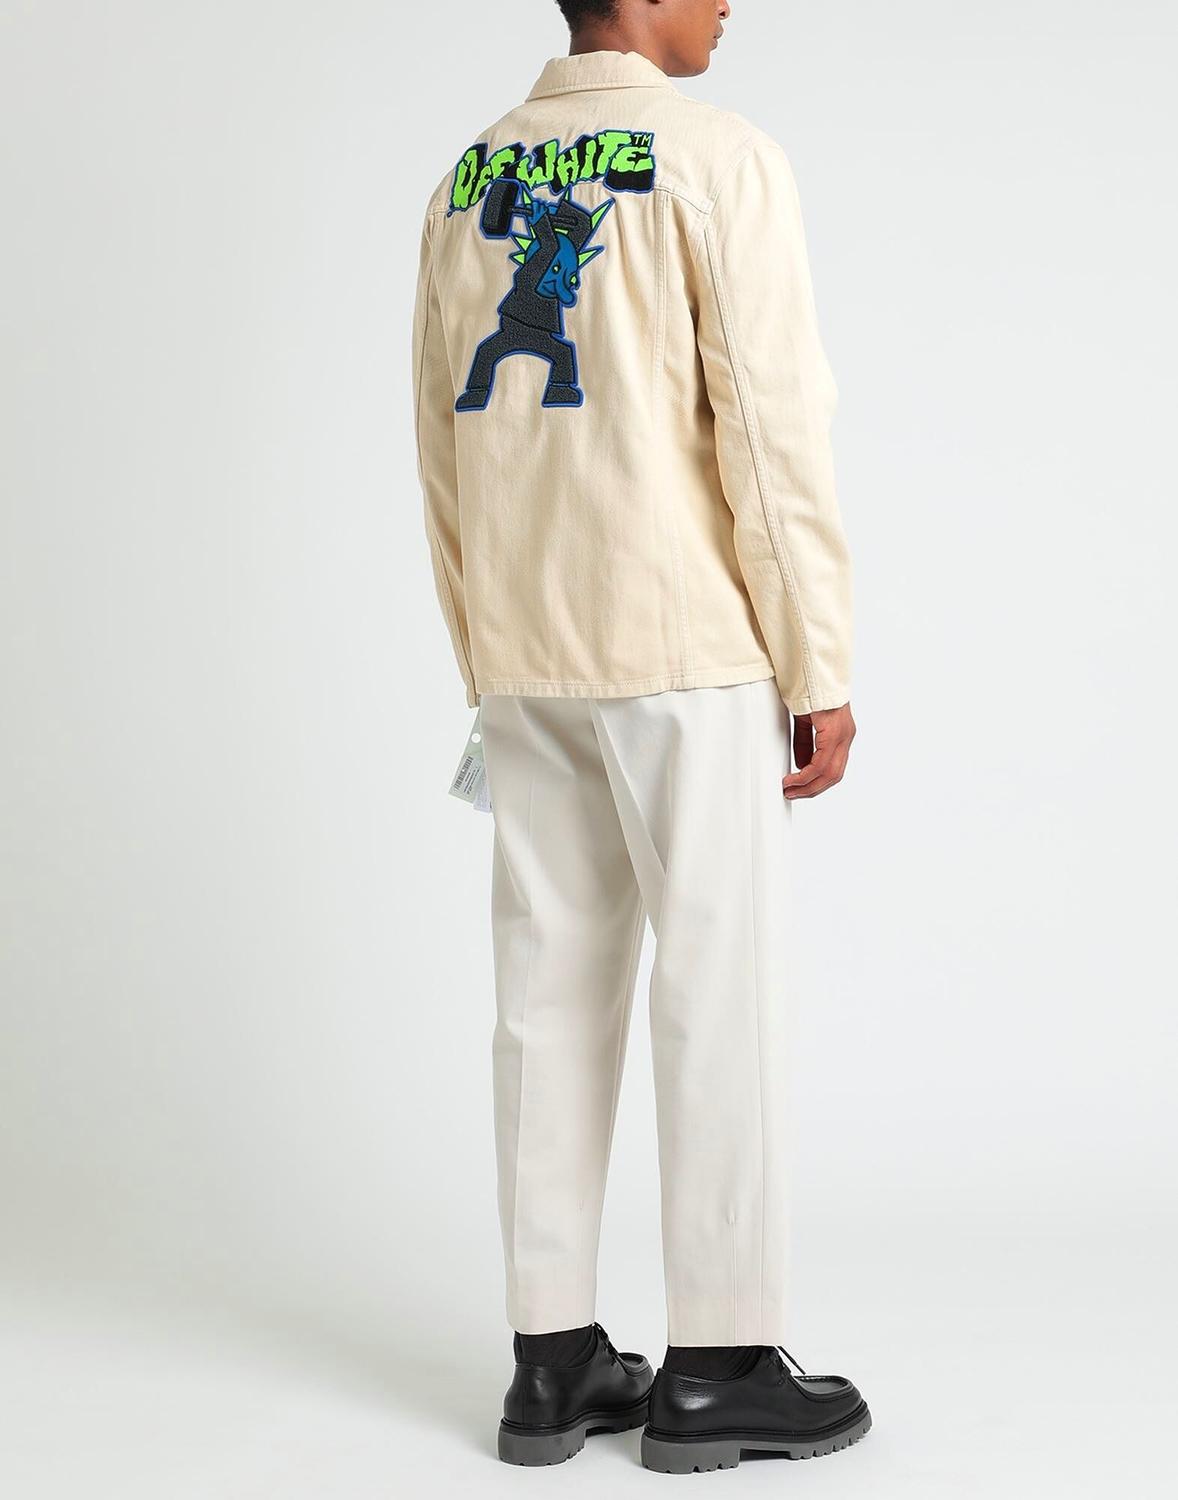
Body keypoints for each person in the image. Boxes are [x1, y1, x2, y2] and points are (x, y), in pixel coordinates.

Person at [412, 0, 869, 1474]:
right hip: (682, 643)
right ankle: (718, 1363)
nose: (732, 0)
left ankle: (550, 1361)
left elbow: (439, 442)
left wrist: (482, 649)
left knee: (543, 990)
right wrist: (817, 659)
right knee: (716, 990)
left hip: (527, 647)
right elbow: (769, 425)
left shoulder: (468, 177)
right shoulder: (714, 158)